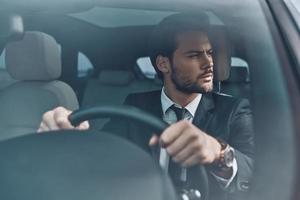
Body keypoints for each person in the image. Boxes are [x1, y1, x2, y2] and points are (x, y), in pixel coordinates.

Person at [38, 13, 254, 200]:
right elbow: (103, 154)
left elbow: (255, 173)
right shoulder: (136, 105)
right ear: (163, 64)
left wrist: (218, 152)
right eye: (194, 55)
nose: (209, 63)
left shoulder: (233, 110)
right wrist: (70, 140)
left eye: (209, 53)